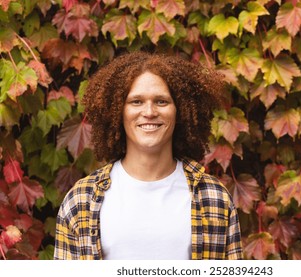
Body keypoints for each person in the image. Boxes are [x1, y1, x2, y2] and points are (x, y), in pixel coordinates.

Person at [54, 51, 243, 260]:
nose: (150, 112)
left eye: (161, 101)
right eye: (136, 101)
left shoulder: (214, 197)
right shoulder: (81, 199)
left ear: (180, 110)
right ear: (117, 111)